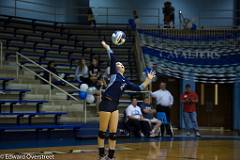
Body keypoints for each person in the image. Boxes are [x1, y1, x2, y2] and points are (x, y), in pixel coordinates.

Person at [98, 41, 155, 160]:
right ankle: (101, 155)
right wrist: (108, 47)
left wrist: (148, 80)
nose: (119, 64)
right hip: (106, 103)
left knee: (113, 133)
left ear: (124, 68)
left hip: (114, 105)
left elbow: (139, 88)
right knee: (103, 132)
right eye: (118, 64)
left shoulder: (126, 81)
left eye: (121, 64)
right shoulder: (114, 75)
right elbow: (113, 58)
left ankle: (111, 156)